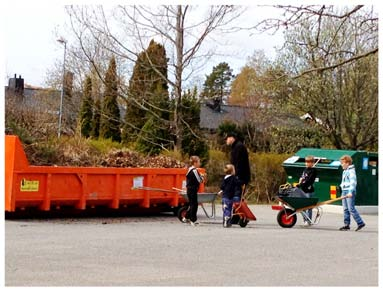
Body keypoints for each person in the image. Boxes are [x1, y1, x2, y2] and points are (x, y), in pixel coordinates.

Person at [339, 155, 365, 231]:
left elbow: (353, 183)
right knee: (345, 209)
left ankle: (360, 223)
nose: (341, 165)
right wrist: (342, 190)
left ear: (347, 163)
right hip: (344, 191)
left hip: (350, 191)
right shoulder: (344, 171)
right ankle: (346, 225)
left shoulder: (351, 171)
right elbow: (343, 182)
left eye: (342, 163)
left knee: (351, 208)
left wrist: (350, 192)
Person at [183, 156, 205, 226]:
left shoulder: (189, 169)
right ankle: (193, 220)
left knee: (191, 204)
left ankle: (186, 217)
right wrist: (202, 176)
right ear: (195, 163)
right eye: (199, 162)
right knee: (194, 205)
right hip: (193, 190)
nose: (200, 163)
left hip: (189, 189)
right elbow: (200, 180)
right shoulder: (194, 170)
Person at [296, 155, 317, 226]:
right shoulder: (305, 170)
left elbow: (309, 181)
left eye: (309, 162)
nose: (307, 163)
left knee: (308, 207)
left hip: (309, 191)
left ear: (312, 163)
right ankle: (305, 219)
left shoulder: (313, 171)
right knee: (302, 207)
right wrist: (300, 182)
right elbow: (302, 178)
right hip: (302, 190)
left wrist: (301, 183)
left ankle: (308, 221)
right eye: (306, 161)